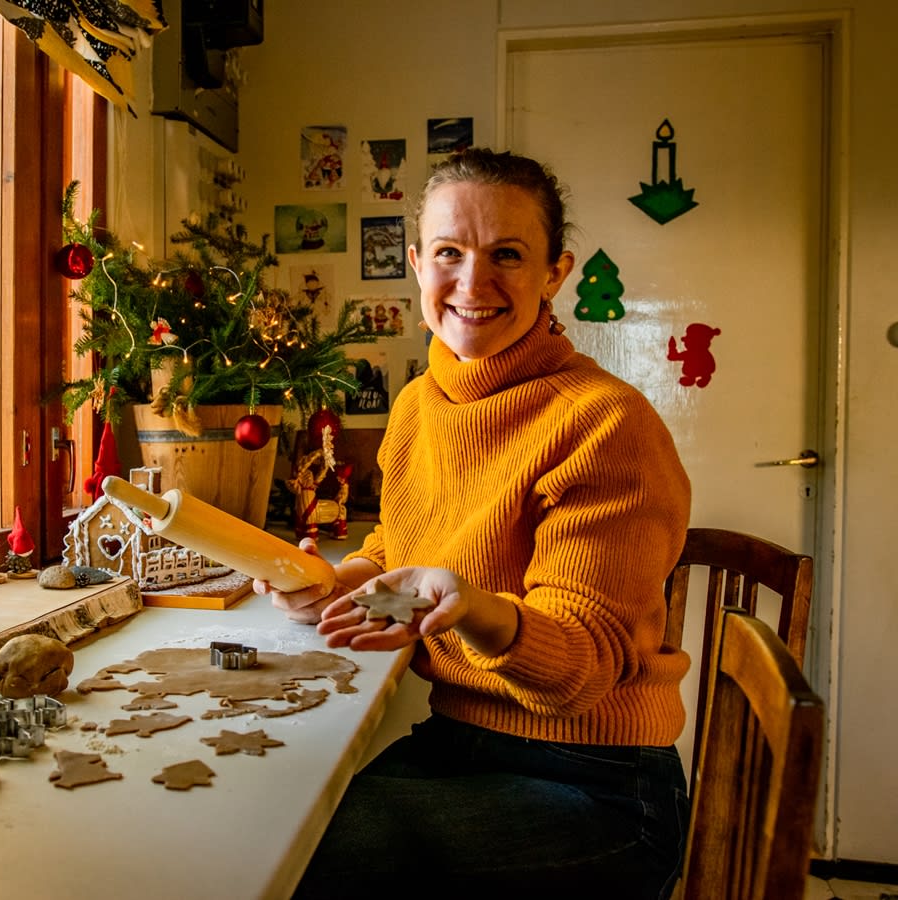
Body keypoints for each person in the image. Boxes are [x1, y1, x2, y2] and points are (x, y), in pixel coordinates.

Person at [255, 148, 692, 898]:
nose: (472, 283)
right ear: (418, 264)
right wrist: (341, 582)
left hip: (598, 784)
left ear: (556, 272)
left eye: (508, 256)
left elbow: (584, 668)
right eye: (450, 253)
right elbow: (402, 545)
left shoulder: (606, 422)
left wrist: (475, 608)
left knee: (298, 859)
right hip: (462, 741)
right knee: (275, 812)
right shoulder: (418, 405)